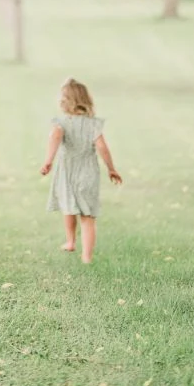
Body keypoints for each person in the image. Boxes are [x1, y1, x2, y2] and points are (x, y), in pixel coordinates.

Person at [40, 77, 122, 264]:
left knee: (68, 208)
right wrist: (111, 169)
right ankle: (87, 257)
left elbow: (56, 136)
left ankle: (70, 241)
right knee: (88, 216)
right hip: (88, 172)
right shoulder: (93, 124)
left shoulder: (61, 123)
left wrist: (48, 161)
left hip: (67, 171)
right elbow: (102, 147)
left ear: (65, 101)